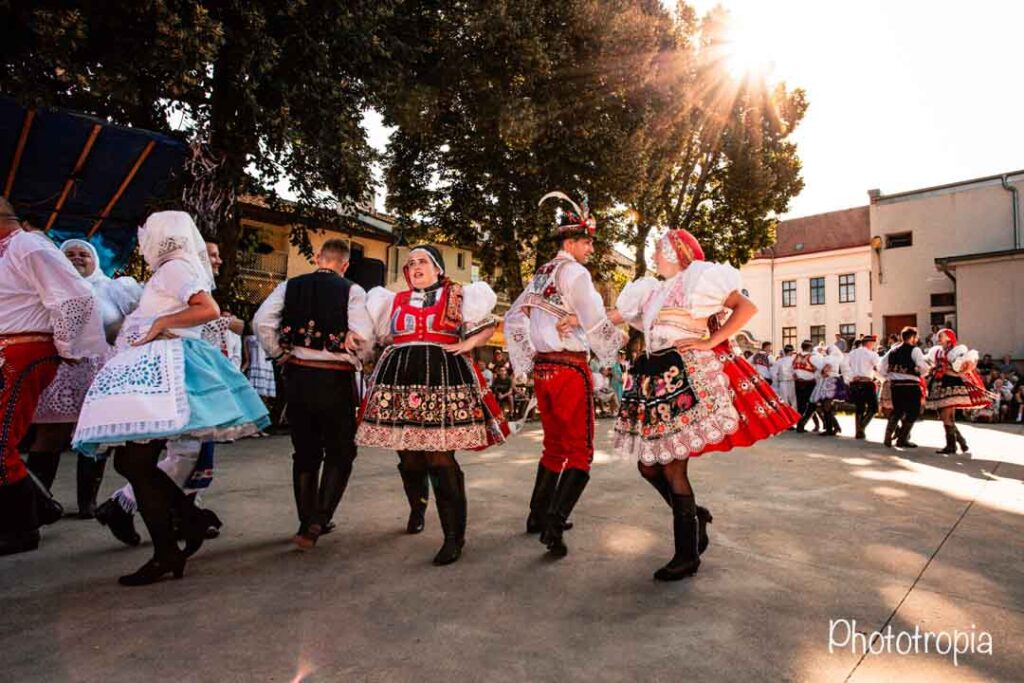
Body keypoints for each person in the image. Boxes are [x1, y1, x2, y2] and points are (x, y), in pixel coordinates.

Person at [73, 211, 269, 585]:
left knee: (135, 462)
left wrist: (159, 325)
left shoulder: (175, 267)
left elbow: (206, 309)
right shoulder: (176, 267)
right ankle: (182, 529)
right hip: (159, 368)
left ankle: (170, 546)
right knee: (133, 463)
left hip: (163, 370)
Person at [612, 228, 798, 581]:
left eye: (659, 251)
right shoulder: (652, 290)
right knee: (647, 467)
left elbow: (746, 307)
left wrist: (712, 340)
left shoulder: (698, 278)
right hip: (652, 378)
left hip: (680, 376)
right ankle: (695, 516)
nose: (654, 257)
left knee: (671, 468)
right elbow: (617, 314)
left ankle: (687, 554)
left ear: (676, 252)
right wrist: (577, 318)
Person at [357, 245, 507, 565]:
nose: (415, 267)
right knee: (410, 456)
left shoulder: (459, 295)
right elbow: (374, 336)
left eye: (422, 261)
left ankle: (454, 536)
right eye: (410, 264)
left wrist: (467, 343)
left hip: (442, 375)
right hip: (399, 376)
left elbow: (491, 325)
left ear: (438, 268)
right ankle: (417, 506)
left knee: (439, 456)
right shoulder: (390, 301)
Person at [93, 241, 246, 547]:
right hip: (177, 387)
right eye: (210, 254)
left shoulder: (194, 290)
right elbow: (222, 322)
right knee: (183, 455)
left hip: (196, 387)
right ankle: (163, 512)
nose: (217, 260)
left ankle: (175, 514)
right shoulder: (180, 288)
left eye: (217, 254)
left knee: (187, 455)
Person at [505, 192, 625, 558]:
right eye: (587, 241)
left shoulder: (541, 273)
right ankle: (554, 526)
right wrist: (613, 343)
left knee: (554, 445)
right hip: (570, 369)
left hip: (543, 369)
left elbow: (512, 317)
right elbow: (594, 319)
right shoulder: (575, 272)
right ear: (570, 242)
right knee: (580, 451)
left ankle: (537, 515)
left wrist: (526, 359)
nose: (590, 248)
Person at [0, 198, 105, 556]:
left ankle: (22, 527)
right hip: (11, 346)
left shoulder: (27, 245)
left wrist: (65, 347)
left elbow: (75, 297)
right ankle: (39, 504)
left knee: (3, 440)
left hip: (25, 347)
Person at [254, 238, 373, 549]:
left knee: (305, 451)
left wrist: (279, 353)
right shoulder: (353, 290)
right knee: (340, 451)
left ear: (318, 258)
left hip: (298, 376)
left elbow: (262, 322)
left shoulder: (290, 285)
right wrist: (357, 356)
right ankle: (319, 520)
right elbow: (363, 336)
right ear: (345, 264)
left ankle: (306, 521)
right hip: (334, 379)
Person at [25, 238, 142, 518]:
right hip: (61, 369)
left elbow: (137, 320)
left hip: (100, 371)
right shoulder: (47, 289)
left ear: (95, 260)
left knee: (96, 432)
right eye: (69, 254)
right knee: (51, 433)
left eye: (83, 254)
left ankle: (87, 502)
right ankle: (40, 501)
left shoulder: (114, 289)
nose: (77, 257)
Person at [924, 328, 992, 455]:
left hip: (951, 385)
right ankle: (961, 442)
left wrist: (946, 369)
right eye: (938, 336)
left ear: (949, 337)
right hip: (940, 385)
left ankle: (952, 445)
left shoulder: (957, 351)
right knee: (947, 417)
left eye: (941, 336)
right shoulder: (937, 351)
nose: (938, 338)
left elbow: (962, 369)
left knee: (945, 416)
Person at [878, 327, 930, 448]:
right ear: (912, 338)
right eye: (915, 337)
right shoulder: (915, 350)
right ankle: (902, 439)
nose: (916, 340)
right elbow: (923, 367)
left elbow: (881, 367)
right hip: (911, 385)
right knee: (913, 412)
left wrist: (890, 375)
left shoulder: (893, 350)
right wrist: (922, 372)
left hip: (896, 385)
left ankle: (887, 436)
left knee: (897, 411)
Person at [846, 335, 881, 439]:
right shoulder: (872, 354)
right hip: (866, 382)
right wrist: (882, 379)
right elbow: (878, 368)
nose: (874, 345)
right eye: (873, 343)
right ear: (869, 343)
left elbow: (845, 367)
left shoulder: (852, 353)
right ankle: (861, 428)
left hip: (854, 382)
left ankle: (859, 431)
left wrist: (851, 377)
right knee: (874, 408)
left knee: (859, 407)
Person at [810, 345, 847, 437]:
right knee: (827, 406)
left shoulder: (828, 359)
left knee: (825, 405)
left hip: (828, 381)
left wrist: (822, 372)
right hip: (835, 380)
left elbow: (826, 369)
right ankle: (835, 427)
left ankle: (830, 428)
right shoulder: (837, 358)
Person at [793, 341, 821, 432]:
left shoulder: (795, 356)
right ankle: (802, 423)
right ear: (810, 348)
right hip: (809, 383)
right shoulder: (812, 357)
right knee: (812, 404)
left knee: (801, 405)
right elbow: (822, 367)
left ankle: (799, 424)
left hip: (798, 382)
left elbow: (790, 369)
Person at [771, 344, 797, 412]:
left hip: (782, 382)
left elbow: (774, 374)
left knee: (784, 399)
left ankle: (785, 414)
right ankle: (794, 414)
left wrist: (776, 383)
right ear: (790, 352)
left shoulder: (779, 361)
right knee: (793, 399)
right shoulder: (794, 360)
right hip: (792, 381)